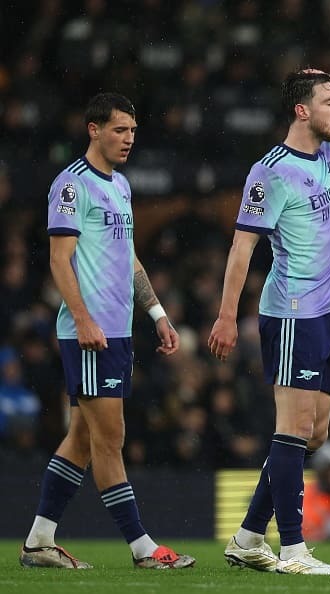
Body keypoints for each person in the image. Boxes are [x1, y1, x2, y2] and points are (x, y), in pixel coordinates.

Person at [208, 69, 330, 574]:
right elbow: (242, 247)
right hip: (293, 312)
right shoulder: (271, 172)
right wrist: (228, 316)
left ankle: (248, 537)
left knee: (314, 436)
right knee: (292, 429)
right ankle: (292, 549)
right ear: (301, 111)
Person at [20, 93, 195, 570]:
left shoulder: (120, 186)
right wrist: (81, 319)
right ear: (93, 129)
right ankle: (143, 549)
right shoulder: (72, 186)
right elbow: (59, 260)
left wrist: (157, 314)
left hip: (118, 331)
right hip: (90, 332)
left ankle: (39, 542)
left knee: (81, 438)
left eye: (133, 132)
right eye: (120, 130)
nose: (129, 140)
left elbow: (129, 257)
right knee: (110, 439)